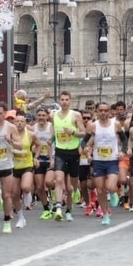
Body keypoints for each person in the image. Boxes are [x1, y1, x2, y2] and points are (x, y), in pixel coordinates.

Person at [49, 92, 83, 221]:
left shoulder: (75, 115)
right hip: (60, 151)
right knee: (58, 179)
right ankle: (58, 208)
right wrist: (50, 138)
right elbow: (54, 128)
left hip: (73, 152)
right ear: (59, 101)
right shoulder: (54, 115)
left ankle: (69, 209)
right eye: (62, 100)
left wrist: (73, 132)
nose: (64, 102)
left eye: (66, 100)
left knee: (70, 186)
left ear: (70, 101)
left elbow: (83, 133)